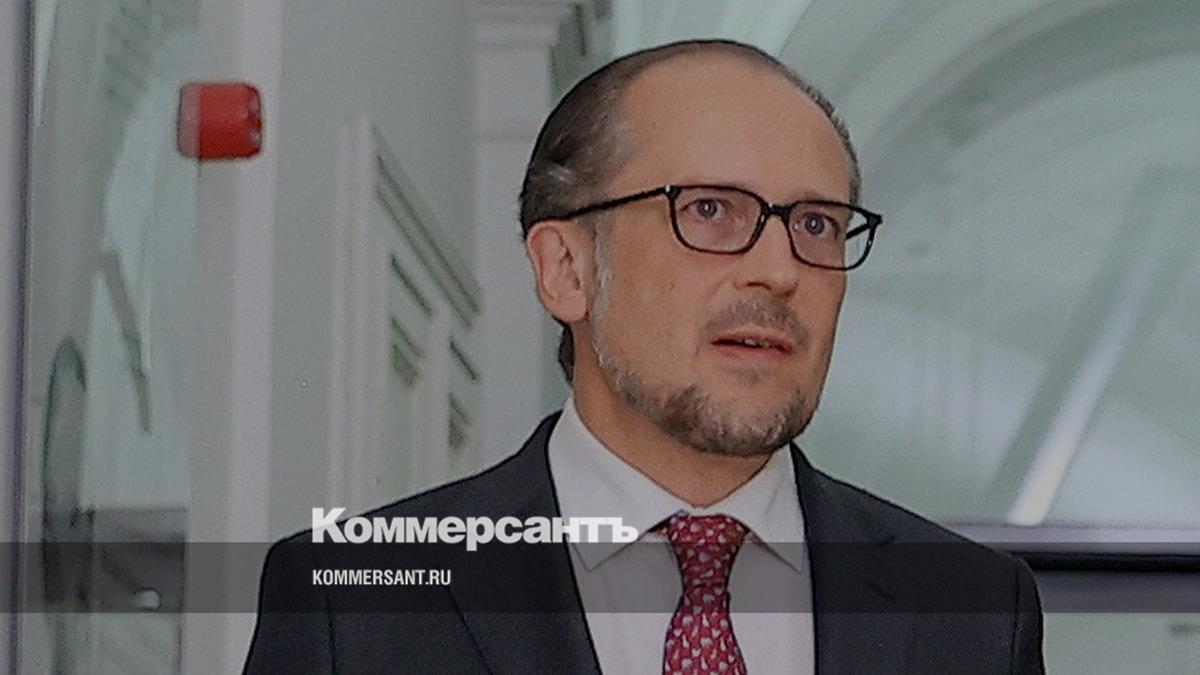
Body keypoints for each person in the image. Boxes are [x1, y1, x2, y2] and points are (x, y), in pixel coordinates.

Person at [244, 39, 1044, 674]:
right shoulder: (352, 610)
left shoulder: (974, 612)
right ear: (566, 268)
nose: (779, 270)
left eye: (816, 225)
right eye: (709, 209)